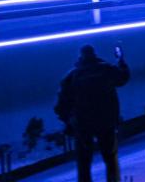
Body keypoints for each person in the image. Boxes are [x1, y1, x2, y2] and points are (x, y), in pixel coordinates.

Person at [55, 44, 130, 182]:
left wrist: (69, 121)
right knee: (111, 160)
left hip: (83, 126)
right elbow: (123, 77)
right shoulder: (106, 69)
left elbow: (60, 106)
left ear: (80, 56)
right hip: (107, 123)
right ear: (94, 54)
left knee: (84, 164)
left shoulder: (72, 76)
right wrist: (121, 60)